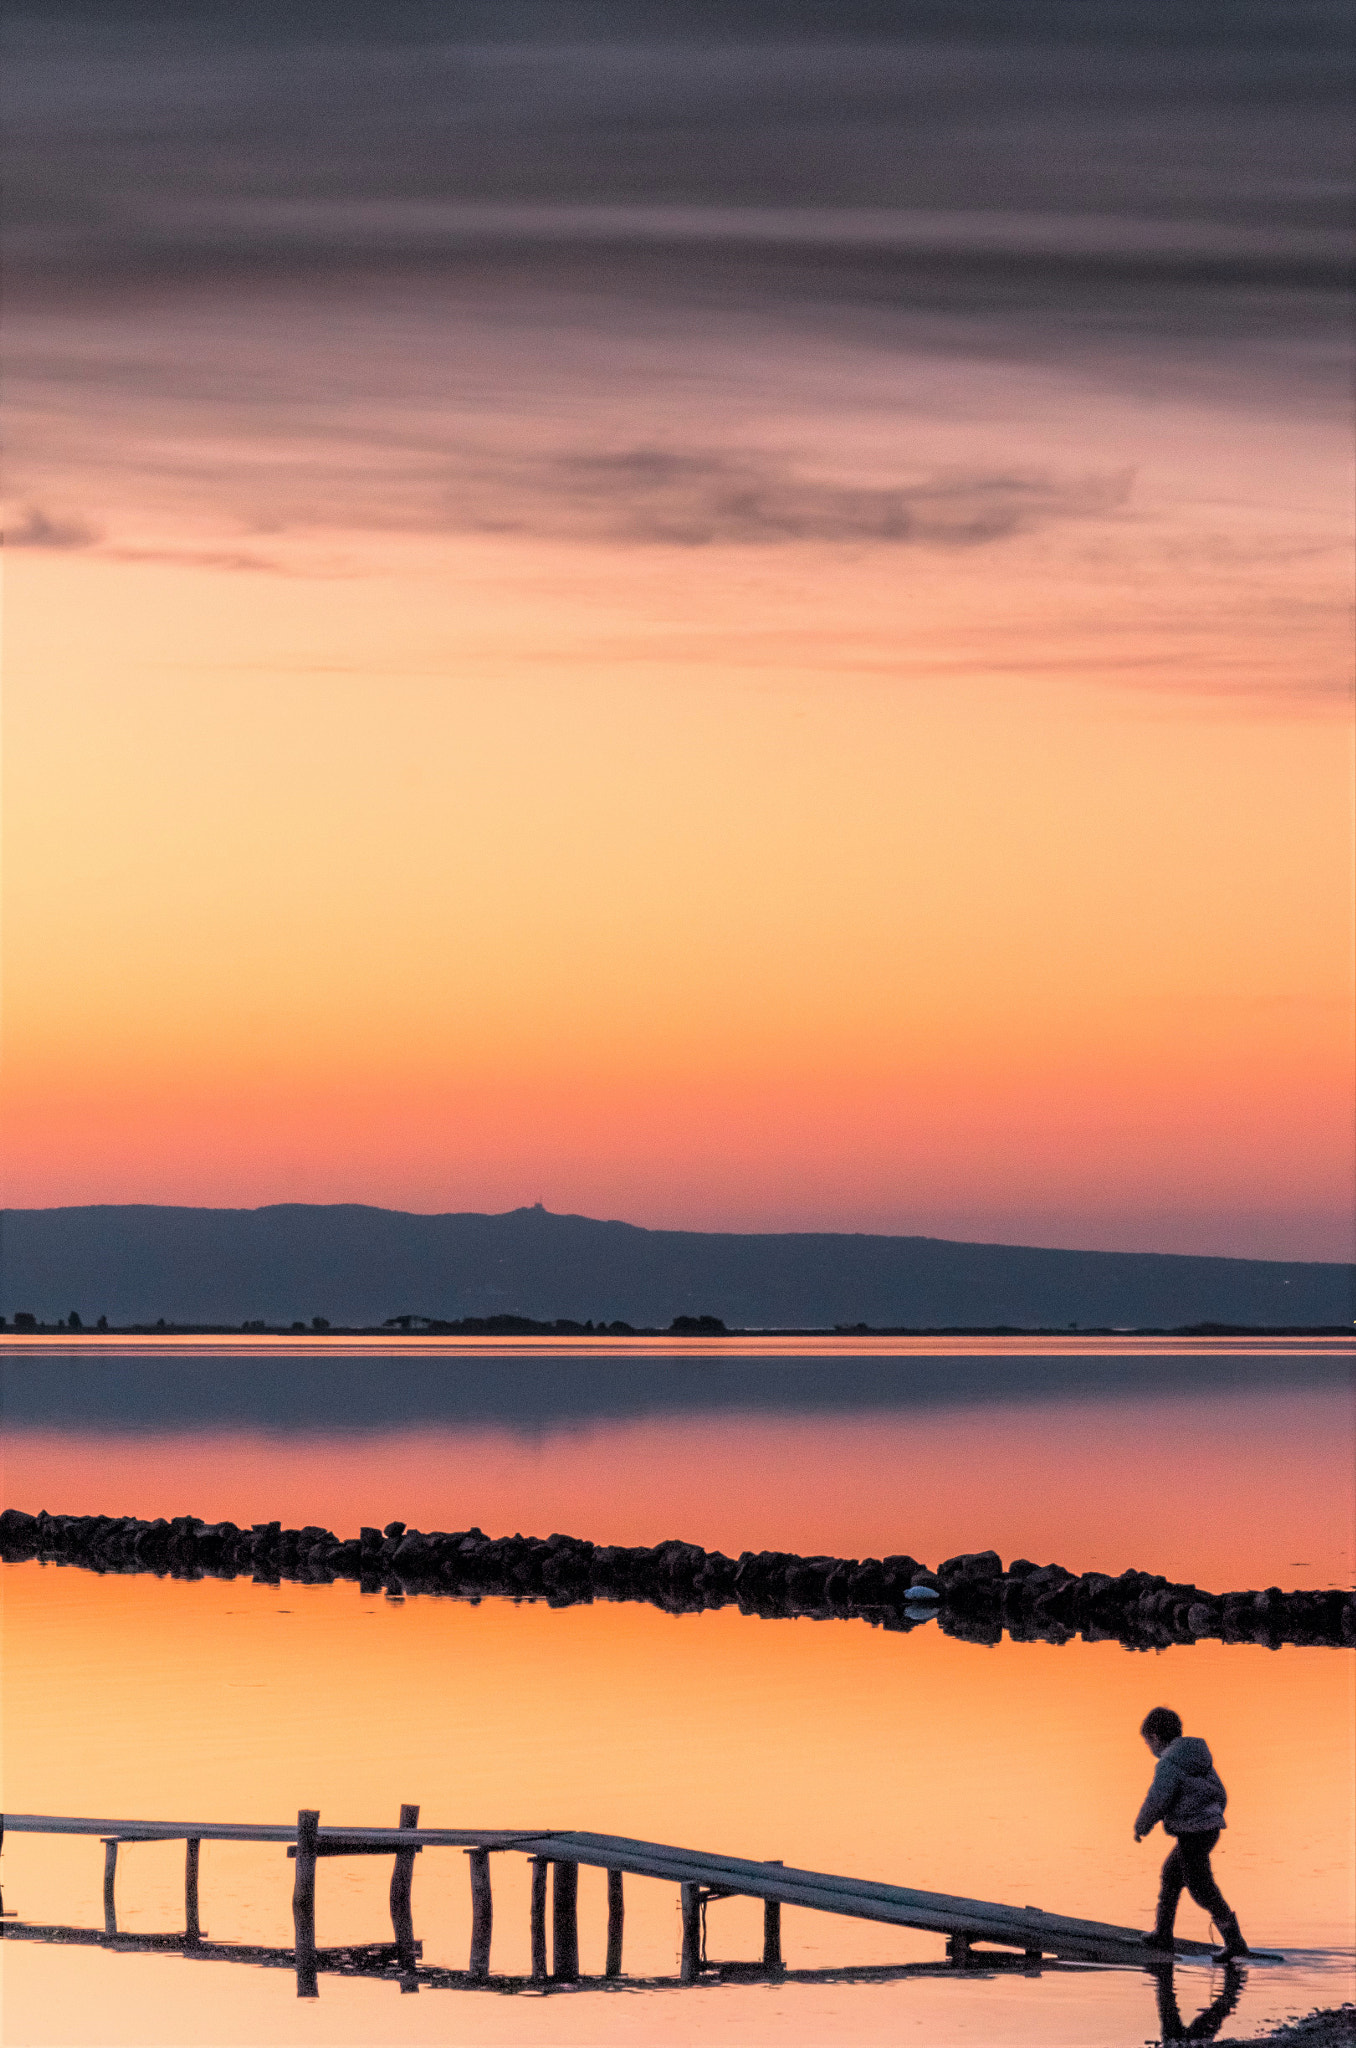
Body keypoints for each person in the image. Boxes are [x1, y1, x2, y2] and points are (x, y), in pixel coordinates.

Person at [1134, 1706, 1248, 1958]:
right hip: (1207, 1829)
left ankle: (1235, 1942)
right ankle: (1162, 1934)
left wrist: (1142, 1825)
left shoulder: (1169, 1764)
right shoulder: (1197, 1756)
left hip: (1193, 1833)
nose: (1149, 1748)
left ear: (1154, 1737)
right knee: (1172, 1874)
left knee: (1201, 1887)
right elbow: (1220, 1792)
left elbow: (1157, 1800)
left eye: (1147, 1742)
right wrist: (1212, 1815)